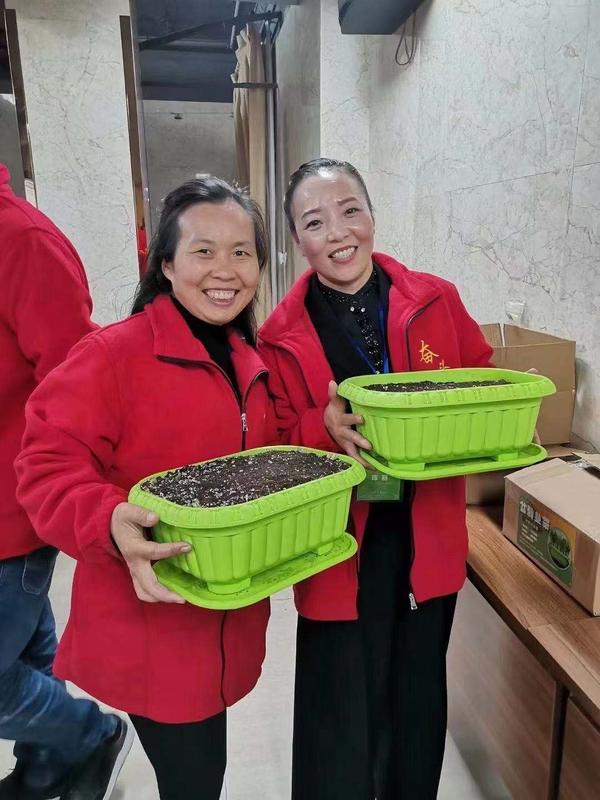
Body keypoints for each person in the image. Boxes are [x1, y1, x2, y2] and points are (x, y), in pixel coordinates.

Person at [15, 176, 276, 800]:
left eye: (242, 252)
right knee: (195, 780)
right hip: (153, 628)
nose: (226, 269)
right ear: (165, 263)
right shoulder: (112, 356)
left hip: (223, 619)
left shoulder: (250, 359)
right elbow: (45, 467)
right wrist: (109, 517)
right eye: (203, 250)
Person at [258, 158, 494, 800]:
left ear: (372, 215)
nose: (338, 232)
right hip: (338, 548)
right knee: (339, 708)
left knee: (416, 701)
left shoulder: (434, 299)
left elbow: (480, 375)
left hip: (426, 538)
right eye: (314, 221)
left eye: (350, 210)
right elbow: (273, 446)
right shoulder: (279, 336)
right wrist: (319, 427)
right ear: (297, 242)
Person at [0, 163, 133, 800]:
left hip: (9, 508)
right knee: (23, 657)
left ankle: (90, 734)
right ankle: (48, 763)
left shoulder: (20, 241)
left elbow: (74, 385)